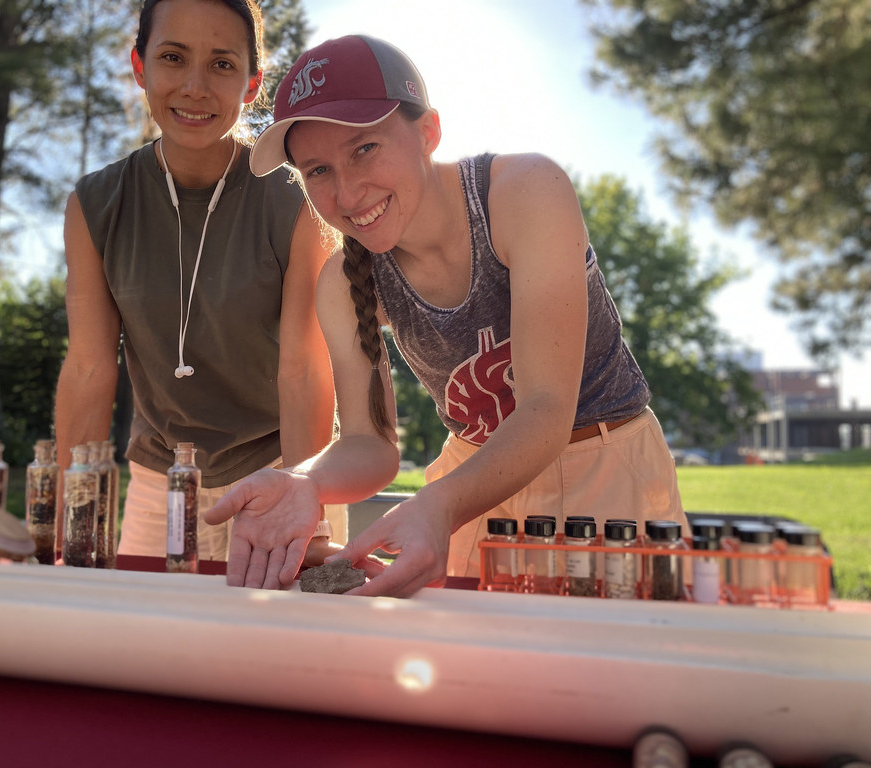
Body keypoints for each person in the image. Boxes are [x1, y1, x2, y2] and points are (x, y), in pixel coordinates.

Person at [205, 34, 687, 597]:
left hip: (605, 470)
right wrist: (303, 482)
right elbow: (370, 445)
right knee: (473, 676)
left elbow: (547, 409)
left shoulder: (524, 192)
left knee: (606, 674)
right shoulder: (341, 282)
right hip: (472, 485)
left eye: (364, 148)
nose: (348, 191)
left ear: (428, 131)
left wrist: (438, 503)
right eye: (317, 171)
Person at [54, 0, 339, 563]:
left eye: (222, 64)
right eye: (173, 57)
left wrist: (310, 515)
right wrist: (67, 519)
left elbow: (303, 369)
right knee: (144, 647)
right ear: (140, 67)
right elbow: (88, 367)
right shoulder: (95, 204)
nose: (195, 86)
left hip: (280, 473)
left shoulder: (297, 201)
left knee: (278, 649)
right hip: (159, 484)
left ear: (252, 83)